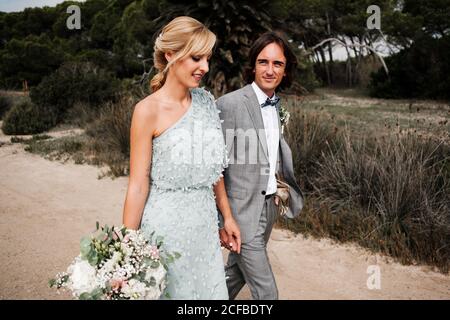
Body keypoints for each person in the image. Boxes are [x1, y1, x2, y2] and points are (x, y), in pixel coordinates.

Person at [122, 16, 241, 300]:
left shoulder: (206, 102)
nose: (205, 67)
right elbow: (138, 185)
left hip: (204, 230)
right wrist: (126, 247)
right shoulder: (146, 111)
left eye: (208, 58)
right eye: (196, 58)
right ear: (170, 54)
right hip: (165, 231)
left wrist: (227, 217)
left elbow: (215, 171)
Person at [216, 31, 304, 300]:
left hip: (268, 207)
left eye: (277, 64)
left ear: (285, 70)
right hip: (240, 214)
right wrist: (224, 217)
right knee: (267, 293)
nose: (269, 70)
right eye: (263, 62)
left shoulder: (276, 106)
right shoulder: (229, 104)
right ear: (253, 65)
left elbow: (267, 154)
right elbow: (215, 167)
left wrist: (276, 188)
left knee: (234, 274)